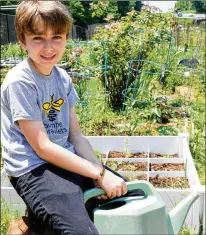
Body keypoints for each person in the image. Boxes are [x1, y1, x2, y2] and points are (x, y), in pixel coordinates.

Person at [1, 1, 128, 234]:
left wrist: (101, 173)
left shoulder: (62, 78)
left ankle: (30, 227)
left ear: (66, 38)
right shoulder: (21, 81)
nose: (49, 47)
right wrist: (98, 174)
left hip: (62, 157)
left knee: (120, 193)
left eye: (57, 37)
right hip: (32, 168)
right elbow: (42, 147)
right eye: (38, 38)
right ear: (22, 41)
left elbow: (76, 136)